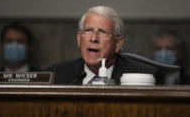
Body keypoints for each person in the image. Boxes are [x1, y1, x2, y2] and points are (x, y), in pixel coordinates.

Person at [46, 5, 176, 85]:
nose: (93, 38)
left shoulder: (145, 76)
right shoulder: (56, 75)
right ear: (79, 39)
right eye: (88, 30)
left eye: (102, 32)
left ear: (118, 44)